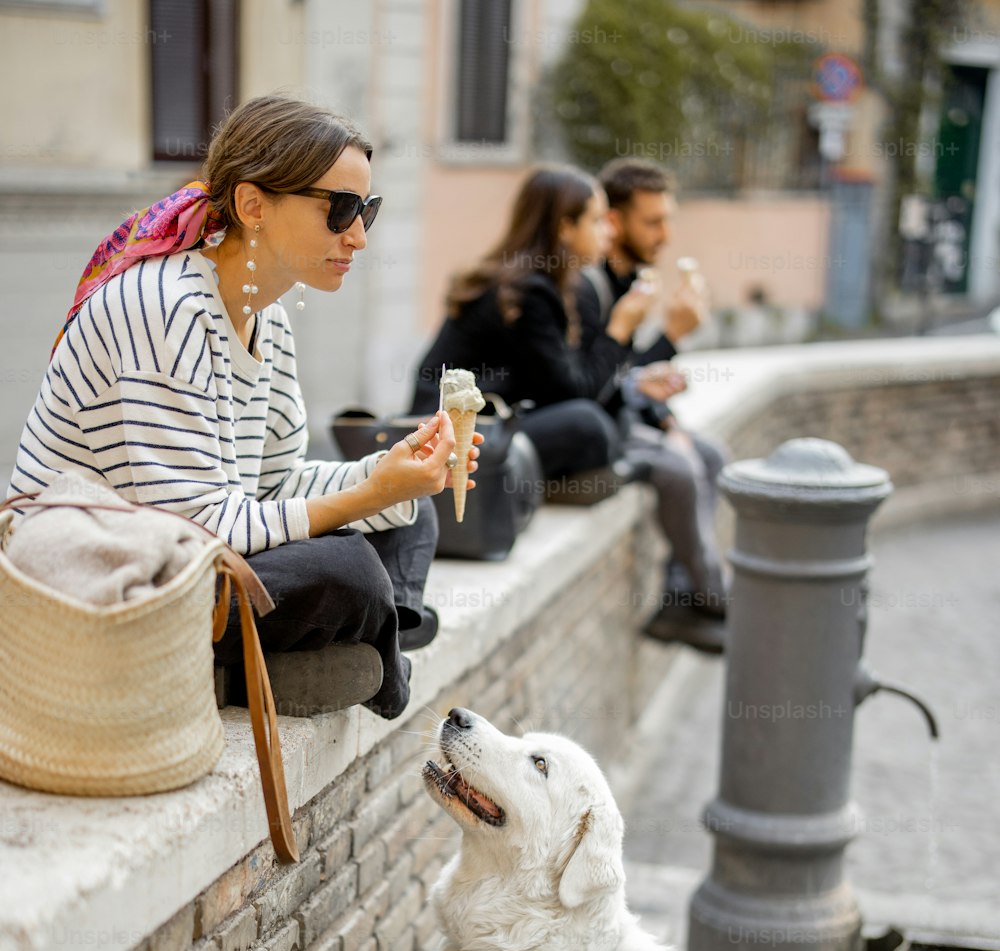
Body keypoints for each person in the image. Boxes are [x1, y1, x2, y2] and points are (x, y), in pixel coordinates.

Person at [7, 95, 479, 720]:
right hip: (111, 581)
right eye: (339, 209)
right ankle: (373, 655)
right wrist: (366, 495)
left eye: (367, 209)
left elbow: (272, 485)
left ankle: (352, 640)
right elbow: (197, 528)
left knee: (409, 516)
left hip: (205, 556)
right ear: (253, 204)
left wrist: (391, 472)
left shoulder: (269, 319)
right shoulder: (162, 308)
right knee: (350, 567)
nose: (358, 236)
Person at [409, 165, 657, 482]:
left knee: (607, 420)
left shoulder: (544, 285)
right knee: (588, 424)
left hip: (487, 427)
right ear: (565, 227)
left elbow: (578, 379)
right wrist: (620, 330)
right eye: (596, 221)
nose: (609, 232)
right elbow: (576, 392)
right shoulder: (526, 293)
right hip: (452, 438)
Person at [578, 158, 729, 653]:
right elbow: (598, 383)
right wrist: (670, 336)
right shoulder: (589, 284)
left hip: (616, 417)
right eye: (653, 221)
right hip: (589, 429)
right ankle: (715, 598)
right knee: (683, 466)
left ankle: (682, 596)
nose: (665, 235)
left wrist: (666, 417)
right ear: (615, 221)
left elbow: (628, 377)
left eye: (669, 220)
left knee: (709, 453)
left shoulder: (631, 280)